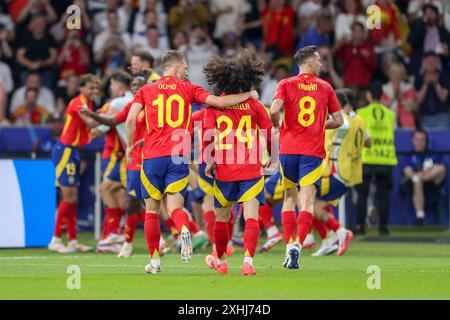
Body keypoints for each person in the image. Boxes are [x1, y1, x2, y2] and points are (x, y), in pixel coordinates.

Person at [125, 50, 258, 274]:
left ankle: (155, 263)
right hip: (178, 155)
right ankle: (185, 228)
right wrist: (248, 96)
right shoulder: (188, 89)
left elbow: (130, 119)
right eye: (185, 69)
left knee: (151, 210)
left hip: (152, 157)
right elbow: (219, 102)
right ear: (175, 67)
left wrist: (129, 145)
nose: (187, 73)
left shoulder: (146, 90)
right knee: (175, 207)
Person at [269, 45, 343, 269]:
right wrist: (319, 126)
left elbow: (273, 109)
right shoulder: (325, 87)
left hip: (289, 150)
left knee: (289, 198)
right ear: (309, 63)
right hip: (312, 152)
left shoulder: (285, 84)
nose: (321, 63)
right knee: (307, 201)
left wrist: (277, 128)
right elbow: (338, 120)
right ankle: (297, 246)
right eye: (319, 60)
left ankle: (289, 243)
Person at [202, 50, 271, 275]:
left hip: (225, 171)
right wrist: (268, 153)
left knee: (221, 218)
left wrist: (209, 161)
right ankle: (248, 262)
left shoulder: (213, 107)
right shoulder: (255, 105)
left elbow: (207, 137)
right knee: (252, 217)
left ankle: (221, 262)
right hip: (251, 168)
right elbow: (268, 131)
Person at [311, 88, 370, 256]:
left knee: (307, 202)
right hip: (350, 170)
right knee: (316, 204)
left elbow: (332, 127)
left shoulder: (341, 121)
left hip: (335, 170)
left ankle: (337, 233)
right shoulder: (359, 120)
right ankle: (330, 237)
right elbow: (368, 142)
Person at [47, 74, 100, 253]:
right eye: (91, 88)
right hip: (65, 151)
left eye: (96, 88)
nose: (95, 91)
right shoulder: (79, 102)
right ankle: (55, 239)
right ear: (82, 88)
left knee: (73, 198)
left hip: (73, 151)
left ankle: (72, 241)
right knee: (68, 197)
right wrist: (113, 115)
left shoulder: (88, 105)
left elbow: (89, 131)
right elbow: (92, 123)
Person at [94, 71, 134, 252]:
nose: (110, 88)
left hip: (129, 152)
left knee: (106, 190)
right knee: (121, 194)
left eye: (111, 85)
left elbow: (102, 126)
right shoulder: (134, 98)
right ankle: (116, 236)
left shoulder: (118, 102)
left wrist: (88, 117)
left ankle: (116, 234)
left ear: (117, 85)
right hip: (133, 151)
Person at [355, 82, 398, 235]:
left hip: (366, 157)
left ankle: (360, 226)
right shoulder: (390, 114)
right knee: (383, 194)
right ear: (382, 94)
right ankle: (383, 227)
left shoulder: (361, 113)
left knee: (362, 193)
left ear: (368, 95)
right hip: (385, 157)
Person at [403, 129, 447, 226]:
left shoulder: (433, 154)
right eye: (417, 139)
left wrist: (422, 175)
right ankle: (420, 217)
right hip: (416, 187)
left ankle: (421, 177)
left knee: (441, 168)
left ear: (426, 141)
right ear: (413, 140)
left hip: (435, 185)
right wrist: (419, 175)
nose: (419, 143)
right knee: (417, 180)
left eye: (422, 140)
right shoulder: (409, 156)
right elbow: (407, 171)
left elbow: (440, 169)